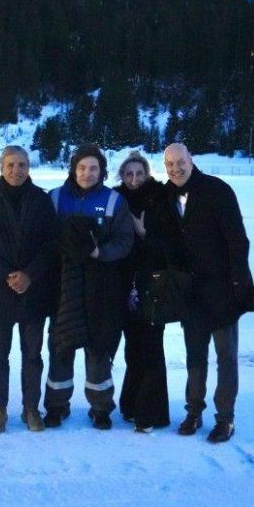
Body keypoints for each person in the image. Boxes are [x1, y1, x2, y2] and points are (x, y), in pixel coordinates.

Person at [153, 142, 253, 443]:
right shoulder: (166, 195)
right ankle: (194, 411)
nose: (175, 169)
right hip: (190, 293)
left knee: (226, 357)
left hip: (222, 290)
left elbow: (238, 241)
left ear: (191, 160)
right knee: (195, 356)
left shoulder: (217, 190)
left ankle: (225, 419)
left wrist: (239, 284)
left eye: (180, 162)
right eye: (169, 164)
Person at [44, 144, 134, 430]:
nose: (87, 173)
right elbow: (43, 237)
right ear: (73, 169)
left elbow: (124, 241)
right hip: (63, 285)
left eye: (93, 168)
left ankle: (101, 407)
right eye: (82, 167)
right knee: (61, 344)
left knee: (98, 347)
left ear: (102, 171)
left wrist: (100, 253)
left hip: (100, 286)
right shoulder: (56, 198)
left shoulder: (113, 201)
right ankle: (57, 406)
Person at [0, 146, 59, 433]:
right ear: (1, 167)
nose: (16, 170)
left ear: (29, 167)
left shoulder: (42, 200)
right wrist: (6, 275)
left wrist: (29, 275)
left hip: (34, 291)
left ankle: (31, 408)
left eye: (22, 164)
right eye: (10, 165)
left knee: (32, 355)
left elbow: (51, 244)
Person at [113, 151, 171, 433]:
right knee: (132, 348)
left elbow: (171, 244)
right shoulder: (115, 199)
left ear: (147, 174)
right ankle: (130, 405)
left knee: (152, 348)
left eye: (139, 173)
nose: (134, 179)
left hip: (154, 284)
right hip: (124, 286)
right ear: (121, 176)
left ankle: (151, 413)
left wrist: (144, 233)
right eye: (129, 174)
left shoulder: (159, 199)